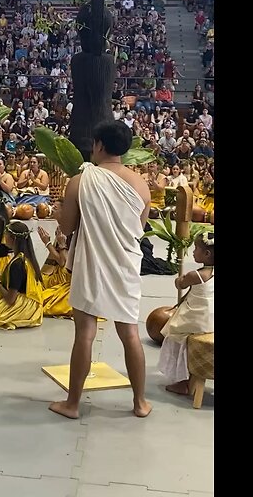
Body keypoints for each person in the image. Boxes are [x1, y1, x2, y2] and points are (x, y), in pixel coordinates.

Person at [49, 120, 153, 420]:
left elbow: (67, 227)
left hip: (92, 261)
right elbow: (139, 228)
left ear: (99, 145)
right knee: (129, 333)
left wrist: (58, 215)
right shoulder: (140, 184)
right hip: (125, 264)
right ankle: (140, 402)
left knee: (85, 333)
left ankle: (72, 404)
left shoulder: (82, 181)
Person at [160, 232, 214, 397]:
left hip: (196, 319)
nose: (193, 251)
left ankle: (183, 381)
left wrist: (180, 279)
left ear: (206, 254)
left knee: (174, 335)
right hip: (210, 318)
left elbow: (180, 284)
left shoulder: (196, 275)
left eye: (196, 248)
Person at [38, 225, 74, 318]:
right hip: (57, 274)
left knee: (41, 299)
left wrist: (48, 243)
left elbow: (63, 263)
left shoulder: (76, 237)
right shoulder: (62, 230)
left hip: (67, 279)